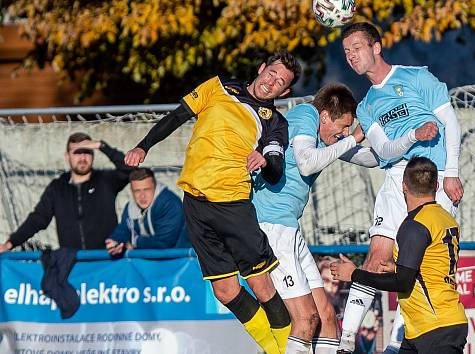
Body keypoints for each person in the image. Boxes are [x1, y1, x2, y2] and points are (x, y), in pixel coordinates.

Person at [123, 51, 302, 354]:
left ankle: (284, 350)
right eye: (271, 72)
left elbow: (275, 170)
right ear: (261, 68)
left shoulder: (275, 123)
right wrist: (144, 146)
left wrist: (265, 160)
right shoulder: (218, 87)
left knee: (261, 286)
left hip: (233, 207)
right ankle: (274, 349)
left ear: (284, 92)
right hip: (195, 203)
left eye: (280, 82)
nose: (271, 82)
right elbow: (177, 116)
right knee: (225, 290)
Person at [338, 22, 464, 353]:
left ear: (376, 47)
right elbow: (384, 151)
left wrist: (451, 173)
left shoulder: (417, 77)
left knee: (419, 266)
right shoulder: (365, 107)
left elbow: (450, 122)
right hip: (398, 178)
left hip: (433, 178)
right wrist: (339, 150)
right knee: (378, 257)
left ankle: (397, 345)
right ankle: (344, 341)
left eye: (357, 48)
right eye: (347, 52)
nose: (352, 56)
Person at [250, 83, 378, 354]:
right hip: (271, 227)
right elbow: (307, 162)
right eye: (342, 126)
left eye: (348, 128)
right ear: (324, 116)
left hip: (289, 229)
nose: (344, 132)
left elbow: (371, 159)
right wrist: (352, 138)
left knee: (327, 317)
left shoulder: (325, 139)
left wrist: (402, 144)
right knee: (305, 319)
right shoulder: (305, 114)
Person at [332, 156, 468, 354]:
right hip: (426, 329)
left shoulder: (414, 225)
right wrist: (399, 267)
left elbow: (402, 282)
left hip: (435, 329)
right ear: (437, 185)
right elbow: (430, 266)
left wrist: (354, 274)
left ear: (403, 186)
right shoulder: (446, 218)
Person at [0, 132, 132, 252]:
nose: (82, 157)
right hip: (72, 263)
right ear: (67, 156)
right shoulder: (57, 188)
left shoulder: (105, 180)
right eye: (77, 152)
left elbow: (130, 170)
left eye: (87, 151)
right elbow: (38, 218)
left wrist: (102, 146)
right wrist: (10, 243)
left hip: (106, 260)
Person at [105, 168, 190, 255]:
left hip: (181, 261)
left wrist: (135, 241)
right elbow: (124, 229)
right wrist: (115, 241)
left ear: (155, 187)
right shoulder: (130, 207)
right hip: (152, 262)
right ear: (131, 191)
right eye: (137, 191)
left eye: (147, 189)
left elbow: (164, 243)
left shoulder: (169, 203)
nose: (142, 196)